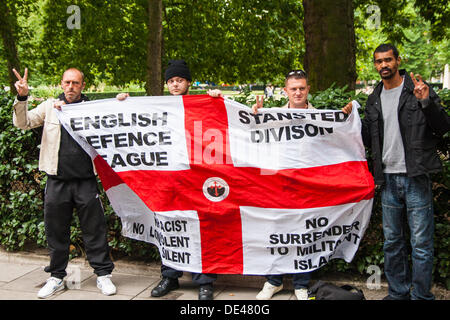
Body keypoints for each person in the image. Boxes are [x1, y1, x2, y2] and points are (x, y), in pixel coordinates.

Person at [342, 44, 450, 300]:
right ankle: (398, 294)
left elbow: (442, 126)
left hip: (415, 177)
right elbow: (368, 139)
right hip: (388, 180)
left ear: (398, 61)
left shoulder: (417, 90)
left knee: (421, 245)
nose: (383, 65)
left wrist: (426, 102)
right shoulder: (374, 98)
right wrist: (351, 119)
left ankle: (421, 296)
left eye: (388, 60)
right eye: (378, 61)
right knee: (392, 243)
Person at [117, 59, 219, 300]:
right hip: (166, 179)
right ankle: (169, 276)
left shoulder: (200, 104)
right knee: (168, 226)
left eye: (180, 80)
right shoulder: (157, 106)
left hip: (196, 177)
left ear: (188, 83)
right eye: (171, 81)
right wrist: (122, 103)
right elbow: (131, 119)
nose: (175, 84)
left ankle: (204, 281)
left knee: (199, 228)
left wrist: (215, 97)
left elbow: (221, 120)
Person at [12, 67, 116, 299]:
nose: (71, 87)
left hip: (86, 181)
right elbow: (23, 123)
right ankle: (57, 277)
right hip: (57, 180)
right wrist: (22, 97)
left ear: (83, 86)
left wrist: (122, 102)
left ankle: (103, 275)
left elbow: (118, 122)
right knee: (56, 231)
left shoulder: (93, 109)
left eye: (75, 83)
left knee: (95, 229)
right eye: (67, 82)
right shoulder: (50, 107)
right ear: (61, 84)